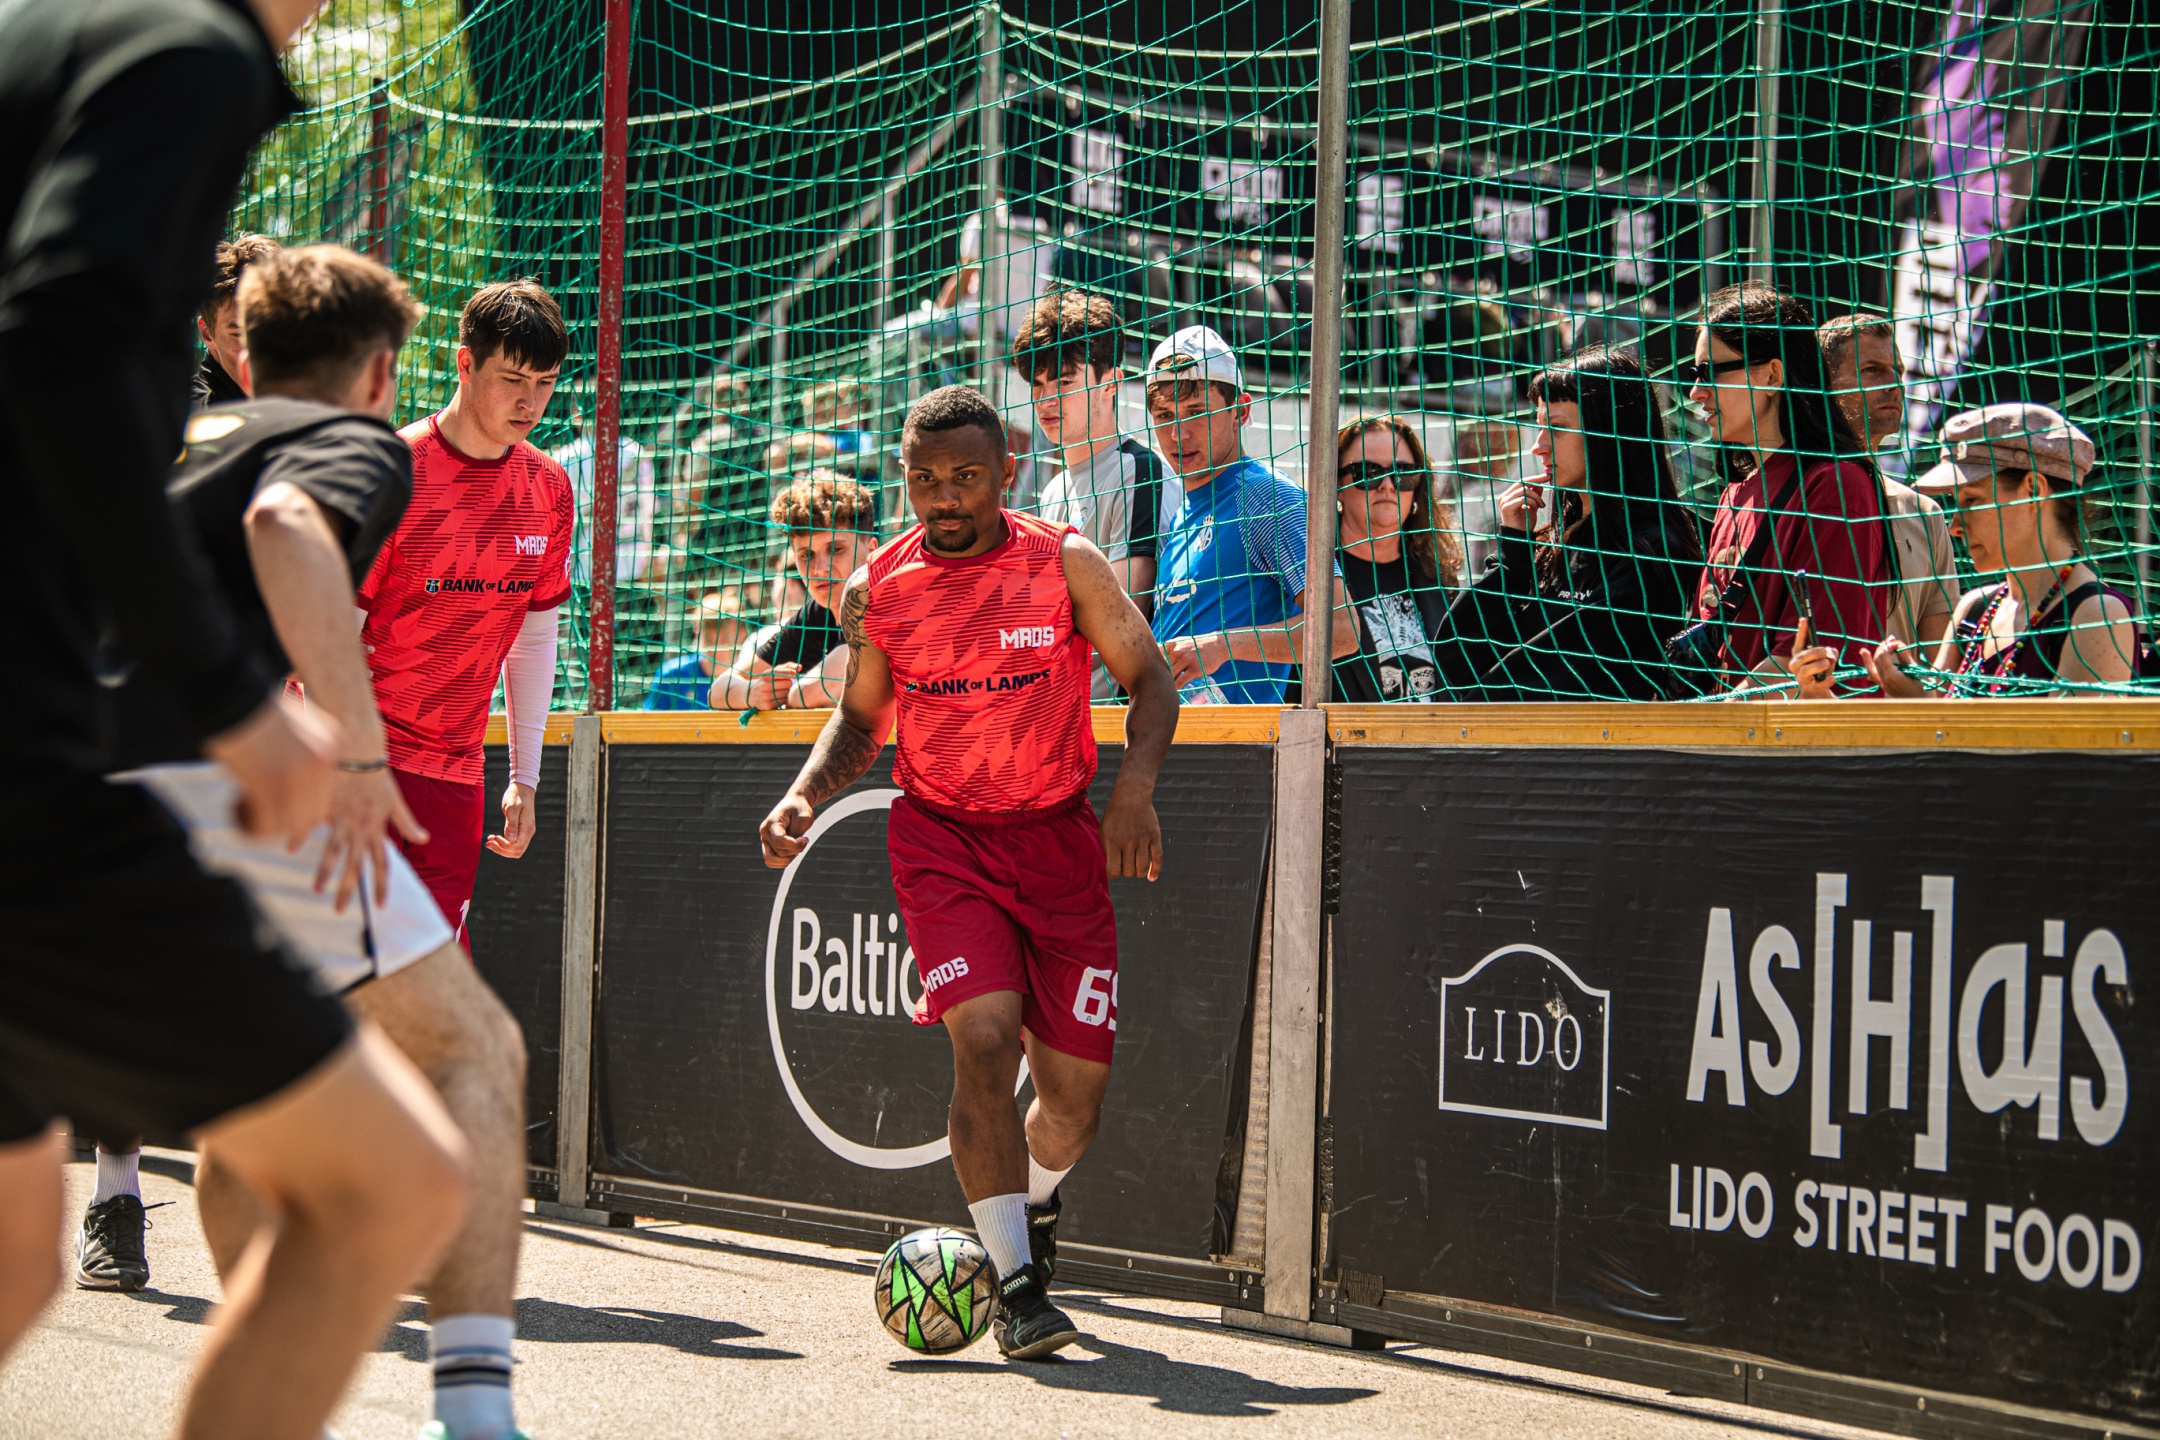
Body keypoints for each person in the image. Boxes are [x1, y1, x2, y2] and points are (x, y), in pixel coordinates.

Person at [0, 1, 471, 1435]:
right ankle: (480, 1396)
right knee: (396, 1182)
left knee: (16, 1253)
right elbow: (64, 345)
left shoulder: (45, 38)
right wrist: (237, 703)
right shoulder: (186, 52)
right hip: (37, 760)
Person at [113, 244, 537, 1440]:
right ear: (383, 374)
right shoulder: (349, 444)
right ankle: (476, 1412)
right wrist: (353, 749)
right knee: (477, 1052)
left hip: (76, 784)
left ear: (245, 351)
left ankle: (266, 1366)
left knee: (256, 1096)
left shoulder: (176, 445)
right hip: (209, 775)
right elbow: (287, 524)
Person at [757, 385, 1178, 1360]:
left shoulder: (1063, 560)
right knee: (983, 1043)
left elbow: (1150, 677)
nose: (944, 496)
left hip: (1058, 844)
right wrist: (804, 795)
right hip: (943, 842)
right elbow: (863, 718)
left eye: (966, 476)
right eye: (924, 479)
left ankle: (1033, 1205)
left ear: (1006, 474)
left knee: (1071, 1107)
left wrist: (1133, 790)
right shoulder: (881, 588)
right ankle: (1018, 1288)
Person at [361, 279, 572, 943]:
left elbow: (534, 641)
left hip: (456, 777)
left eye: (545, 383)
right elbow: (328, 634)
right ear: (465, 364)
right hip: (362, 765)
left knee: (432, 976)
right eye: (513, 379)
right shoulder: (390, 472)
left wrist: (525, 778)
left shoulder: (550, 488)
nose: (530, 401)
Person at [1794, 403, 2139, 698]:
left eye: (1972, 501)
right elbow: (1933, 739)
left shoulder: (2098, 615)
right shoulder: (1975, 609)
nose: (1955, 526)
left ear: (2034, 489)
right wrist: (1818, 694)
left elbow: (2063, 757)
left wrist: (1921, 704)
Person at [1425, 346, 1705, 700]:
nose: (1538, 447)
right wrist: (1512, 558)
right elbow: (1455, 659)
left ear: (1610, 432)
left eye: (1556, 429)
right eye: (1540, 427)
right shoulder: (1549, 546)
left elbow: (1554, 682)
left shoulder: (1653, 551)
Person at [1680, 283, 1888, 692]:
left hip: (1800, 731)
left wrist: (1712, 721)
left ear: (1773, 375)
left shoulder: (1837, 486)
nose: (1696, 391)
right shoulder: (1735, 493)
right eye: (1694, 374)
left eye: (1710, 371)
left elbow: (1812, 658)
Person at [1145, 325, 1356, 703]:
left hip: (1242, 739)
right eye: (1164, 415)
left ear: (1240, 411)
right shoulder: (1181, 513)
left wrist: (1222, 646)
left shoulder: (1267, 497)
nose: (1179, 433)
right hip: (1176, 734)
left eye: (1196, 412)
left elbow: (1342, 629)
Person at [1012, 288, 1168, 698]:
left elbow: (1122, 617)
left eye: (1063, 382)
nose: (1046, 400)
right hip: (1057, 709)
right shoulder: (1053, 489)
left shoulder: (1139, 471)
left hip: (1113, 715)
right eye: (1037, 385)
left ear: (1110, 383)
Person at [1819, 311, 1961, 648]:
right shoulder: (1787, 496)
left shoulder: (1924, 514)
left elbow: (1939, 663)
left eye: (1898, 372)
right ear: (1822, 382)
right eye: (1871, 370)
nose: (1894, 385)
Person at [710, 472, 877, 710]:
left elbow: (816, 690)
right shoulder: (816, 615)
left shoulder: (883, 599)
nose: (820, 568)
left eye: (836, 549)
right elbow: (717, 690)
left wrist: (787, 694)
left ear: (872, 551)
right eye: (807, 555)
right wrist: (754, 692)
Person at [1331, 415, 1462, 702]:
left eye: (1402, 472)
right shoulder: (1311, 577)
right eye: (1368, 472)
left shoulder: (1440, 579)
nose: (1388, 485)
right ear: (1337, 484)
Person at [194, 233, 279, 410]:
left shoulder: (317, 398)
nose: (261, 348)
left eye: (275, 328)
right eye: (241, 334)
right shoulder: (189, 415)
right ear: (207, 334)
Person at [645, 592, 751, 710]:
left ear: (741, 634)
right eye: (709, 641)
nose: (716, 649)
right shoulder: (672, 676)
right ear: (696, 632)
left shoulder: (751, 678)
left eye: (724, 640)